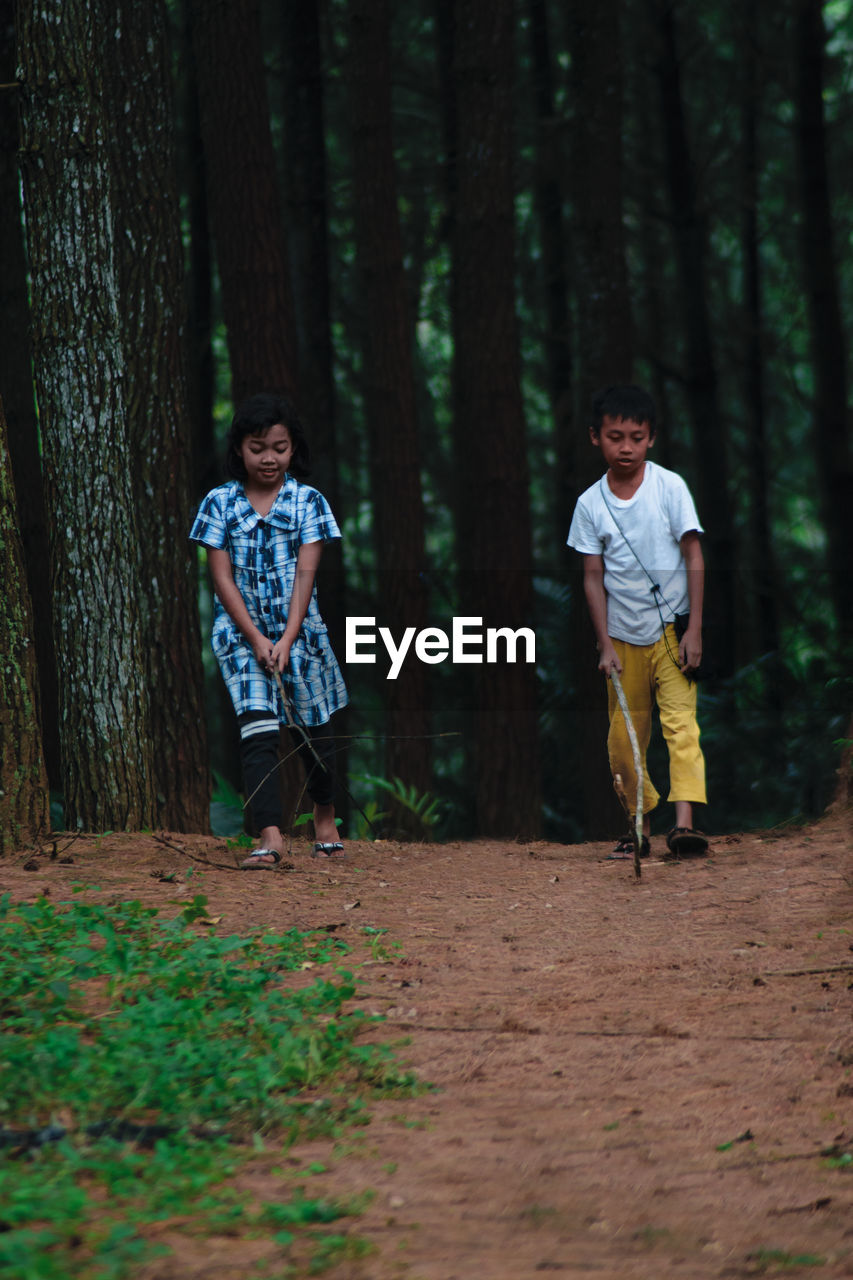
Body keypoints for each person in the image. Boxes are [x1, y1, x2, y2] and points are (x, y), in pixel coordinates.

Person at [190, 393, 348, 868]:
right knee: (257, 732)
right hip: (241, 638)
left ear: (292, 448)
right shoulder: (218, 503)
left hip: (302, 636)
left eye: (279, 447)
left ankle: (324, 815)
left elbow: (306, 575)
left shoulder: (308, 502)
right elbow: (220, 578)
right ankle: (271, 835)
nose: (269, 457)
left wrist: (285, 638)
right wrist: (258, 640)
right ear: (239, 448)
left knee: (313, 735)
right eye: (258, 447)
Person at [567, 385, 708, 859]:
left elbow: (693, 554)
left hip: (671, 631)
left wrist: (694, 629)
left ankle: (685, 825)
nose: (625, 447)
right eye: (615, 437)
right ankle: (640, 825)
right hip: (622, 636)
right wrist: (604, 644)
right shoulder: (589, 505)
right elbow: (592, 578)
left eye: (636, 437)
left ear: (651, 439)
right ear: (595, 438)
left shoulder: (670, 488)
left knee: (682, 727)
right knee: (625, 738)